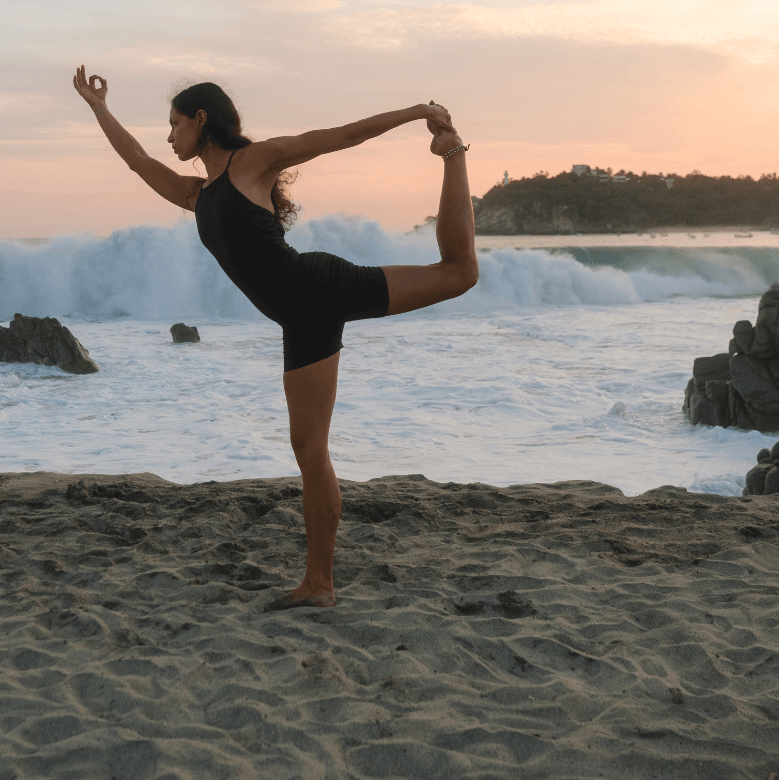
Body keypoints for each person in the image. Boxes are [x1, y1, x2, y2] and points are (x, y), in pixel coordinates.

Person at [72, 66, 479, 607]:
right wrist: (99, 108)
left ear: (201, 119)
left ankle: (453, 155)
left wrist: (417, 112)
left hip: (316, 291)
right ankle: (319, 584)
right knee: (309, 449)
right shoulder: (198, 194)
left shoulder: (252, 163)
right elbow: (136, 161)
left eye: (174, 124)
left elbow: (339, 136)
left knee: (459, 274)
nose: (168, 137)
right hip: (301, 315)